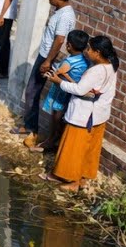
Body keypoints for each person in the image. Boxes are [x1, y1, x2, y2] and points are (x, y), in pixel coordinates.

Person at [42, 35, 119, 192]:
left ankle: (71, 180)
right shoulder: (111, 66)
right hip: (99, 115)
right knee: (88, 149)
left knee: (73, 148)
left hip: (84, 116)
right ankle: (83, 178)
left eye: (89, 49)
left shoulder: (96, 71)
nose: (87, 51)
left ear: (97, 52)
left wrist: (59, 82)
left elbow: (79, 90)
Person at [15, 0, 76, 136]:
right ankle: (31, 125)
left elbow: (60, 39)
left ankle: (31, 127)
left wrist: (48, 61)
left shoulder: (65, 16)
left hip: (48, 58)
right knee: (33, 91)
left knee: (32, 91)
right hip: (45, 55)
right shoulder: (60, 12)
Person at [25, 29, 89, 153]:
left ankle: (51, 140)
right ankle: (54, 139)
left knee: (56, 116)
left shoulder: (68, 61)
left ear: (69, 45)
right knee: (60, 116)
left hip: (62, 91)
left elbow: (57, 72)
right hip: (71, 92)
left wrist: (48, 73)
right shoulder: (84, 60)